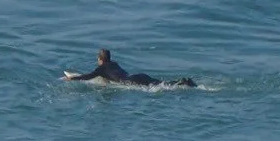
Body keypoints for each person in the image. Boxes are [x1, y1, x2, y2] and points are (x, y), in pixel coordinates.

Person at [64, 49, 193, 88]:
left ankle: (181, 83)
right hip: (139, 76)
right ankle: (182, 81)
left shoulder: (101, 68)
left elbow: (88, 76)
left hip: (131, 82)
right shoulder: (114, 63)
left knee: (160, 88)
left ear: (101, 60)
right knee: (161, 83)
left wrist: (73, 78)